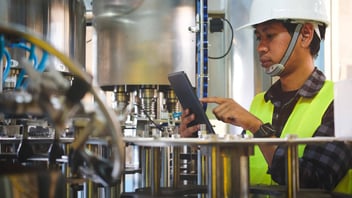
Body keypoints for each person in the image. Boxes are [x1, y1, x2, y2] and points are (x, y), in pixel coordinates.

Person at [180, 0, 352, 194]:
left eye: (269, 35)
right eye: (258, 37)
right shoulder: (260, 102)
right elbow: (241, 176)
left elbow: (315, 181)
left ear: (305, 34)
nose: (261, 47)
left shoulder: (342, 103)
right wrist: (197, 147)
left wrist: (257, 128)